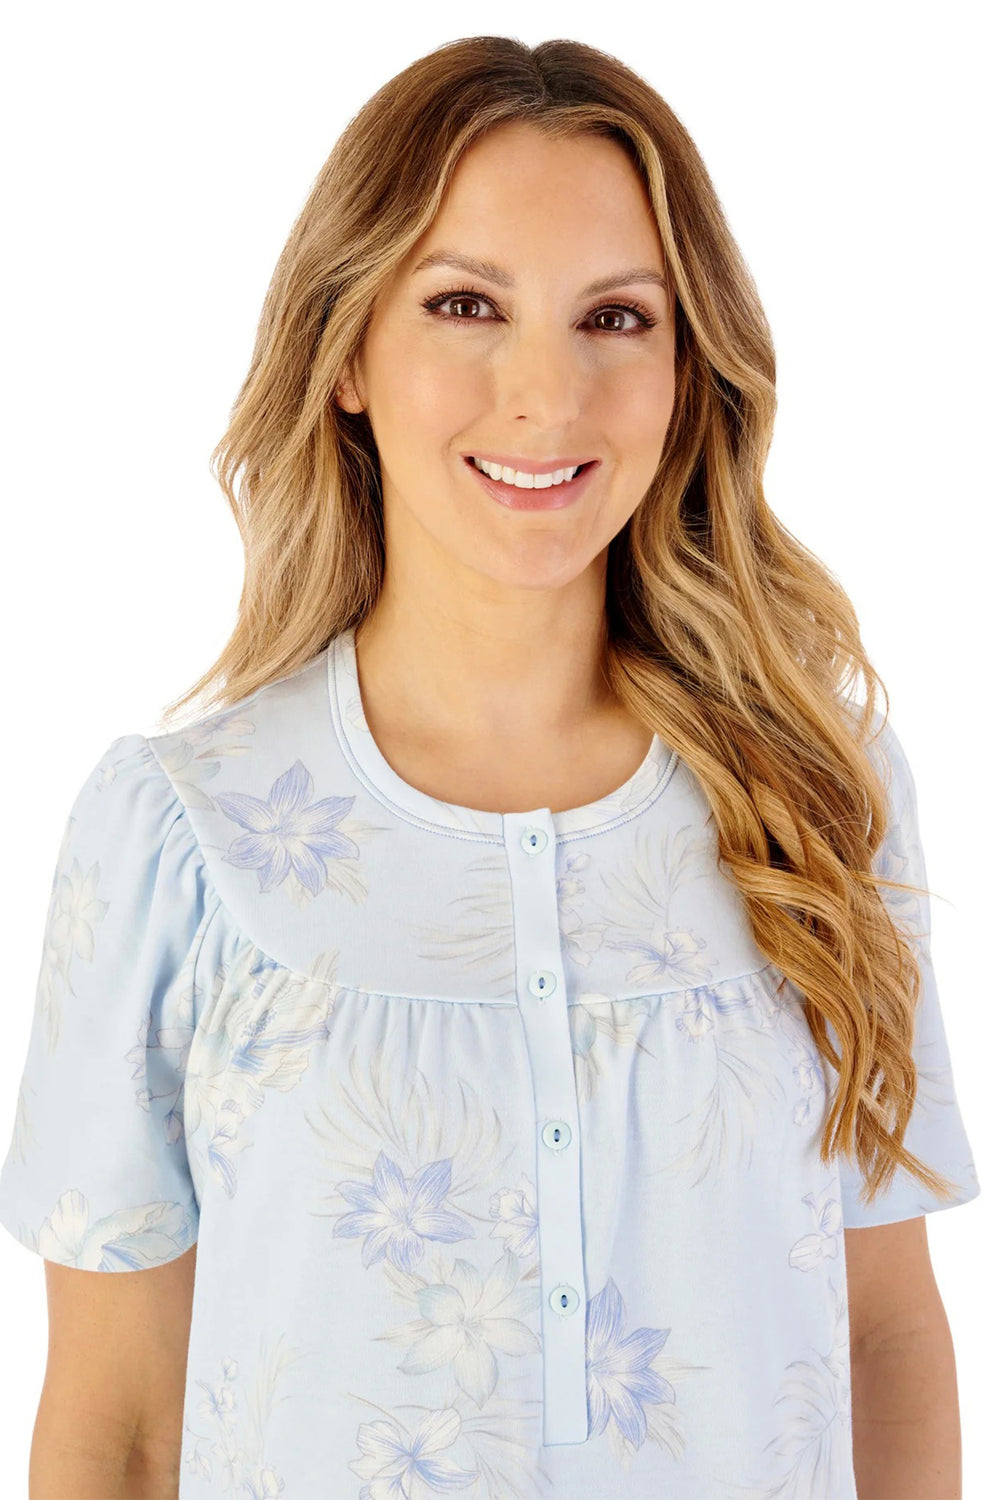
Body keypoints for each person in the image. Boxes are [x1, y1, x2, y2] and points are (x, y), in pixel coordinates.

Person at [0, 34, 980, 1500]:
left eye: (616, 317)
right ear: (345, 351)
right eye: (467, 304)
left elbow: (885, 1333)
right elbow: (121, 1422)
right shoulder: (182, 833)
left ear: (688, 368)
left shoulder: (819, 794)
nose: (546, 393)